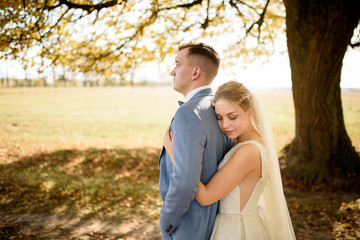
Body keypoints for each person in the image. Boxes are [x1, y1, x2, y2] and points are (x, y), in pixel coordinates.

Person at [164, 80, 296, 239]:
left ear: (250, 112)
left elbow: (205, 197)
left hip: (235, 230)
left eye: (232, 117)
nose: (225, 125)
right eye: (219, 117)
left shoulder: (248, 152)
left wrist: (175, 156)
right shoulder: (244, 142)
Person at [158, 42, 233, 240]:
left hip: (188, 227)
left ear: (195, 72)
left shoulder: (188, 113)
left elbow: (184, 182)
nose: (172, 71)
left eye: (177, 64)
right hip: (215, 223)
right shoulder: (220, 108)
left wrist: (167, 221)